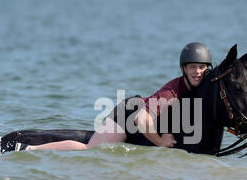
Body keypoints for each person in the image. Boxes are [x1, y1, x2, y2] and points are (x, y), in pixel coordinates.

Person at [17, 42, 212, 151]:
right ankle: (30, 149)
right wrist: (161, 142)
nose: (197, 72)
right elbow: (140, 120)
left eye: (201, 67)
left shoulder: (202, 85)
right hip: (129, 114)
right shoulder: (172, 92)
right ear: (183, 69)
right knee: (91, 150)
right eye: (192, 67)